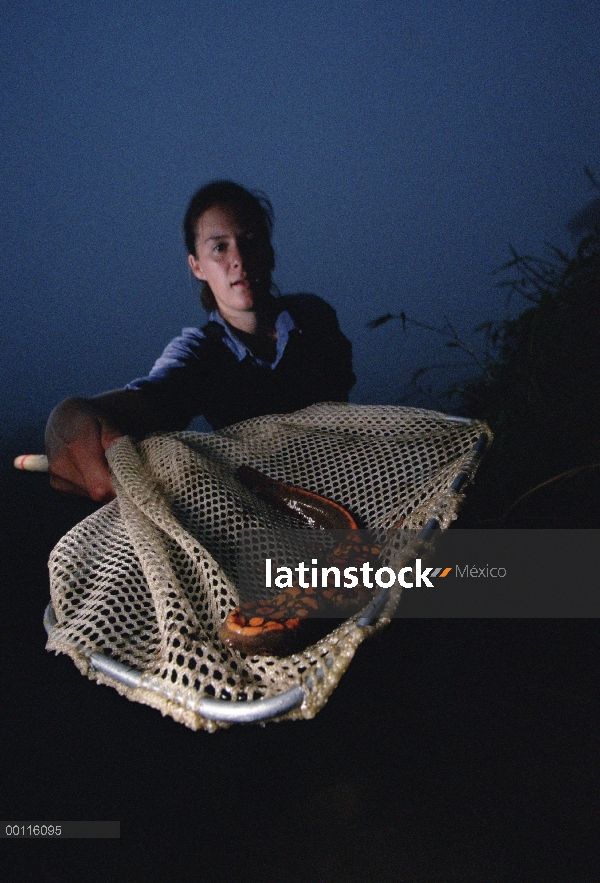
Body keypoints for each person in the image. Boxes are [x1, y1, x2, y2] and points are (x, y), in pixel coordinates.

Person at [46, 180, 355, 502]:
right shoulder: (199, 353)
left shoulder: (314, 316)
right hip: (269, 508)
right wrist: (69, 415)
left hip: (350, 483)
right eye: (219, 247)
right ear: (197, 266)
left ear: (270, 252)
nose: (239, 259)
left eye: (250, 241)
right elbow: (149, 398)